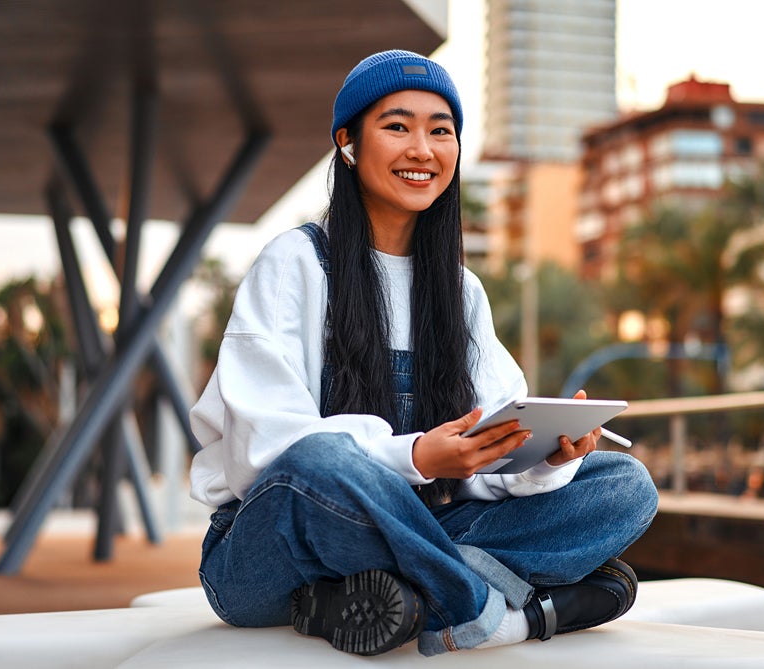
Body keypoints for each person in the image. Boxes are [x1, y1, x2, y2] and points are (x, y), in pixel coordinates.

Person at [189, 49, 658, 657]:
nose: (423, 149)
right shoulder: (295, 263)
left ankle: (376, 599)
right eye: (397, 126)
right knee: (323, 458)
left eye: (441, 131)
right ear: (348, 144)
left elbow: (491, 449)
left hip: (412, 531)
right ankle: (499, 612)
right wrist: (417, 457)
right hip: (274, 546)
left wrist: (544, 455)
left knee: (622, 484)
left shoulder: (460, 291)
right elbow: (268, 453)